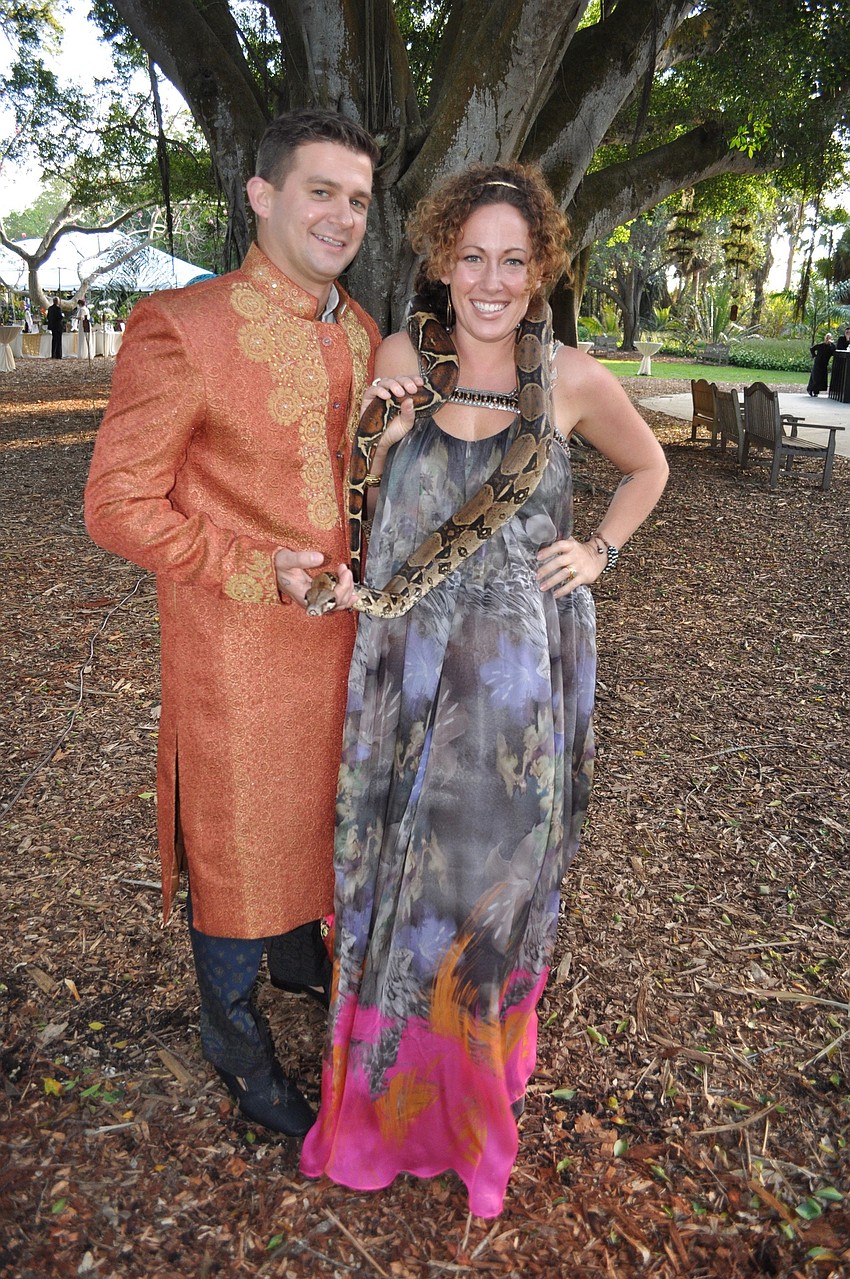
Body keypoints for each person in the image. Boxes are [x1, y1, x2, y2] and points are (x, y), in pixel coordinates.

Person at [300, 162, 669, 1216]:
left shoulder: (577, 380)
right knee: (398, 882)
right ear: (440, 264)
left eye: (514, 259)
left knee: (491, 891)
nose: (492, 279)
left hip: (515, 701)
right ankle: (385, 1103)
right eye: (472, 258)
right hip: (405, 673)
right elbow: (364, 494)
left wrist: (598, 550)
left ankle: (470, 1108)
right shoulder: (404, 358)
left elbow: (648, 469)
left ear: (541, 267)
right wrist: (371, 419)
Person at [84, 109, 381, 1138]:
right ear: (260, 194)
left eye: (356, 197)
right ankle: (235, 1044)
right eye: (319, 190)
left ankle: (302, 961)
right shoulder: (183, 325)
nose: (341, 214)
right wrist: (252, 568)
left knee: (324, 823)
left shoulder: (359, 328)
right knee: (239, 846)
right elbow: (115, 502)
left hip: (343, 641)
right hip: (236, 653)